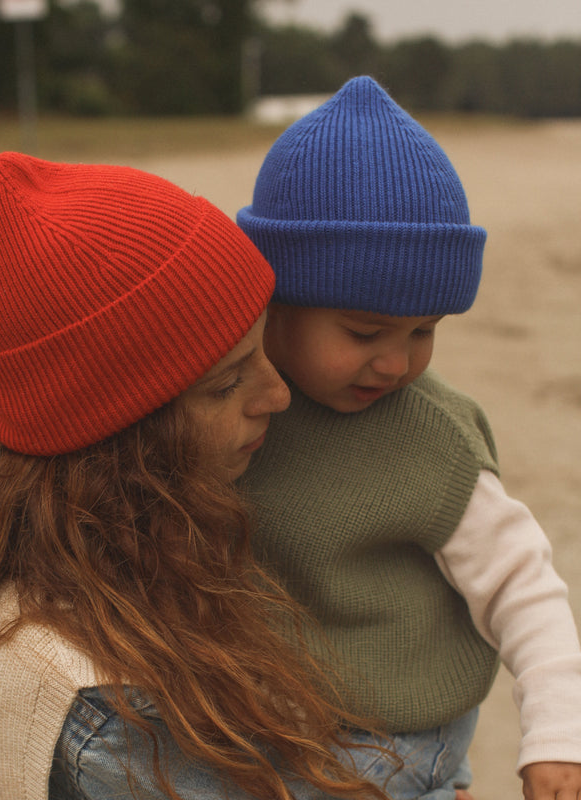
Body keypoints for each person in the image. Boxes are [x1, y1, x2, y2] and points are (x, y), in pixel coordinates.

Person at [0, 153, 396, 800]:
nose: (277, 395)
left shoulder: (54, 559)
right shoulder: (107, 703)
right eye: (227, 382)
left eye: (265, 352)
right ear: (123, 445)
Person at [236, 75, 581, 800]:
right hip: (269, 731)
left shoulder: (433, 438)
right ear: (273, 300)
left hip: (399, 748)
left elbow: (526, 590)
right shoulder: (231, 411)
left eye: (424, 331)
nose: (396, 362)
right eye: (364, 332)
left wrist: (557, 738)